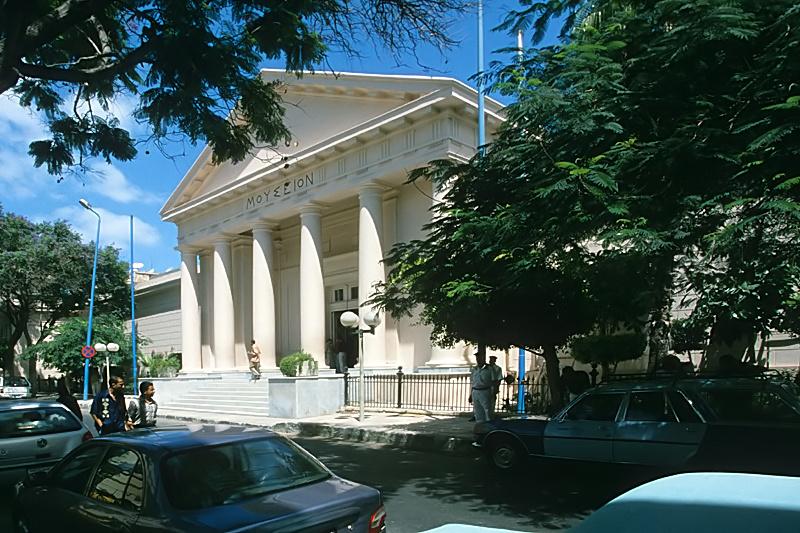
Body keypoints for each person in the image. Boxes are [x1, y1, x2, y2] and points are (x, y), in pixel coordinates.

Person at [468, 349, 493, 446]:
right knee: (478, 413)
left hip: (485, 391)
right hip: (475, 391)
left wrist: (493, 392)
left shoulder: (489, 369)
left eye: (480, 358)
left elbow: (494, 381)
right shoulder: (474, 369)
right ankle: (480, 432)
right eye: (477, 358)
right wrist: (470, 394)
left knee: (487, 412)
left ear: (483, 358)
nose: (478, 359)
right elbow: (472, 382)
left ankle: (490, 431)